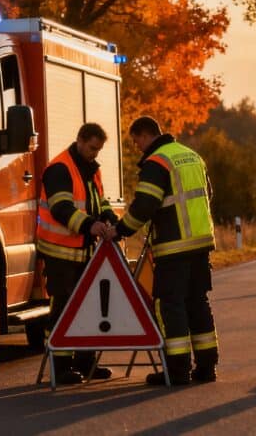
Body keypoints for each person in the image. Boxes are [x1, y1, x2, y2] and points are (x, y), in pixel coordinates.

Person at [105, 116, 218, 386]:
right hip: (201, 244)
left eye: (136, 141)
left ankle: (177, 371)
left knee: (171, 306)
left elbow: (144, 206)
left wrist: (119, 231)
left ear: (145, 136)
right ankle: (206, 367)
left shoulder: (156, 162)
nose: (137, 147)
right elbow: (208, 194)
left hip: (172, 247)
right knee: (197, 303)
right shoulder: (192, 156)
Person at [37, 123, 117, 384]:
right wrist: (90, 225)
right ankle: (60, 368)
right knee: (63, 309)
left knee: (90, 308)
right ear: (80, 140)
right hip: (60, 253)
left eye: (99, 149)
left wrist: (108, 219)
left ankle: (86, 363)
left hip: (84, 252)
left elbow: (100, 201)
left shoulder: (91, 170)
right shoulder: (60, 168)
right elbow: (61, 208)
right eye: (92, 148)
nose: (95, 153)